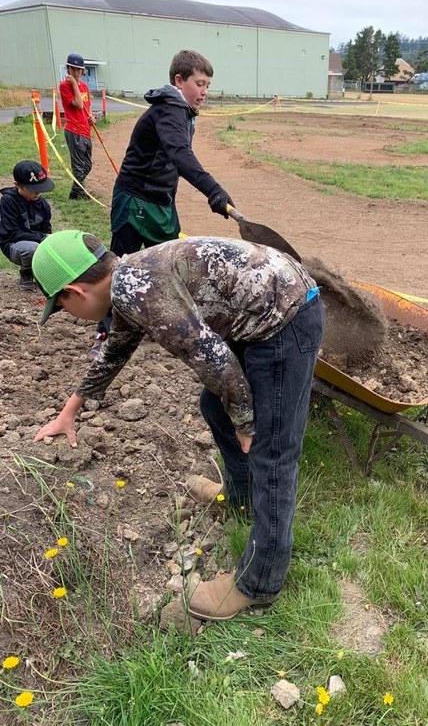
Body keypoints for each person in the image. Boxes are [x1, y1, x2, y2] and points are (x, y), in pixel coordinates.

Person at [31, 230, 324, 621]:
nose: (66, 315)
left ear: (75, 292)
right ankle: (241, 497)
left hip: (285, 319)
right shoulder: (127, 280)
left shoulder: (142, 292)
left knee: (272, 450)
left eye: (61, 306)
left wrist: (247, 423)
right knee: (214, 405)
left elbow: (215, 361)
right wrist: (69, 411)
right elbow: (114, 350)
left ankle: (259, 583)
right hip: (260, 308)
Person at [91, 48, 235, 357]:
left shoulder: (181, 112)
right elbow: (180, 155)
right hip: (134, 199)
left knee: (172, 265)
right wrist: (213, 190)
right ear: (179, 80)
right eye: (199, 83)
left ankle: (169, 322)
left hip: (161, 203)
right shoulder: (169, 110)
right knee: (121, 265)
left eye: (208, 85)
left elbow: (169, 164)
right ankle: (105, 333)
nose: (205, 91)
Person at [0, 160, 54, 290]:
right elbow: (12, 233)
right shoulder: (8, 201)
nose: (38, 193)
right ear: (18, 185)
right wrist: (42, 237)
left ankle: (43, 274)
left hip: (37, 241)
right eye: (34, 190)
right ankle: (26, 272)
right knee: (32, 249)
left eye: (40, 189)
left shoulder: (43, 205)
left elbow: (47, 230)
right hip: (14, 245)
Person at [59, 52, 95, 200]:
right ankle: (79, 193)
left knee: (87, 165)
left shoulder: (85, 86)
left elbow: (87, 105)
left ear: (82, 70)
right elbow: (79, 105)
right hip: (74, 130)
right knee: (79, 166)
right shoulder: (65, 86)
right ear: (68, 69)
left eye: (78, 70)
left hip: (86, 130)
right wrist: (74, 84)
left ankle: (75, 191)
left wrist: (91, 116)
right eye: (73, 69)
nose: (76, 72)